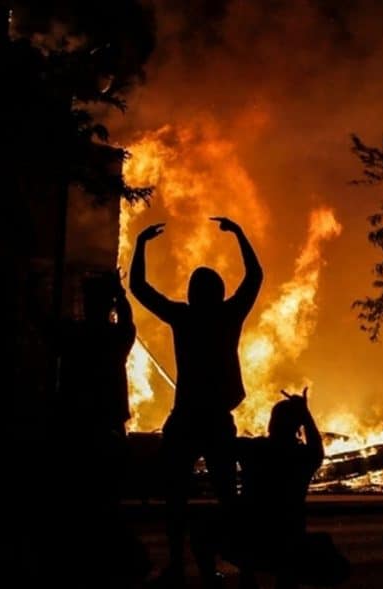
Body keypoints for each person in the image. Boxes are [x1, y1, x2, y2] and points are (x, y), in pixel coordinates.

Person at [130, 217, 263, 588]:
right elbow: (255, 278)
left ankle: (177, 563)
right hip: (215, 418)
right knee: (227, 496)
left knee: (176, 496)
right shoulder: (227, 315)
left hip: (188, 417)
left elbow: (139, 287)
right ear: (219, 293)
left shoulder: (183, 316)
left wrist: (141, 244)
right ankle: (244, 566)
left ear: (192, 293)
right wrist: (240, 235)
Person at [55, 270, 149, 587]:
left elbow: (42, 324)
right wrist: (119, 294)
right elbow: (127, 321)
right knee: (106, 500)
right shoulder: (114, 338)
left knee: (79, 501)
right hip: (106, 429)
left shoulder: (71, 336)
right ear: (108, 306)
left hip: (76, 429)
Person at [232, 387, 347, 589]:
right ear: (298, 427)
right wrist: (305, 414)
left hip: (250, 541)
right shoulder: (302, 457)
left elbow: (220, 443)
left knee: (207, 531)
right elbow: (316, 448)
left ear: (271, 424)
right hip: (288, 541)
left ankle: (242, 579)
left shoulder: (253, 449)